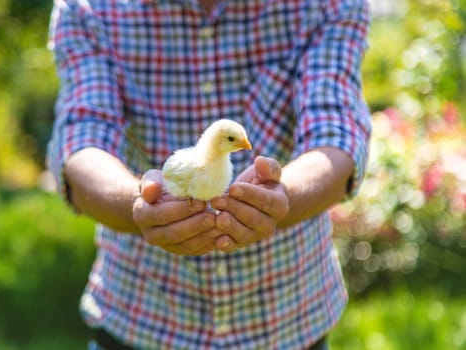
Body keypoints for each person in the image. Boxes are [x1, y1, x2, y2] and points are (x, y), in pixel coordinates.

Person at [47, 0, 372, 349]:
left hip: (288, 319)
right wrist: (138, 202)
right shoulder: (91, 8)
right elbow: (81, 138)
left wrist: (283, 196)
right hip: (143, 315)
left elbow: (336, 133)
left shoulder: (327, 4)